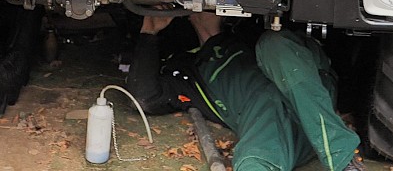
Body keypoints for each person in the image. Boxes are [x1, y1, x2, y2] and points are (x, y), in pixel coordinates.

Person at [127, 12, 364, 171]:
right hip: (272, 129)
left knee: (274, 44)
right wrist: (149, 31)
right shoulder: (188, 70)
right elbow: (145, 98)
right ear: (189, 13)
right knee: (252, 163)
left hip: (310, 98)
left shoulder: (254, 33)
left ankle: (342, 158)